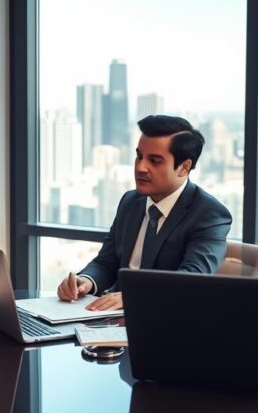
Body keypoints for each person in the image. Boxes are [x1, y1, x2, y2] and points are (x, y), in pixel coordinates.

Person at [56, 115, 232, 310]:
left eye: (154, 161)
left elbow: (190, 279)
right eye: (139, 156)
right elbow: (107, 263)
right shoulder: (131, 202)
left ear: (184, 167)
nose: (140, 167)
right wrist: (86, 281)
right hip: (110, 319)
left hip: (165, 322)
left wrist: (134, 296)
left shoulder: (209, 214)